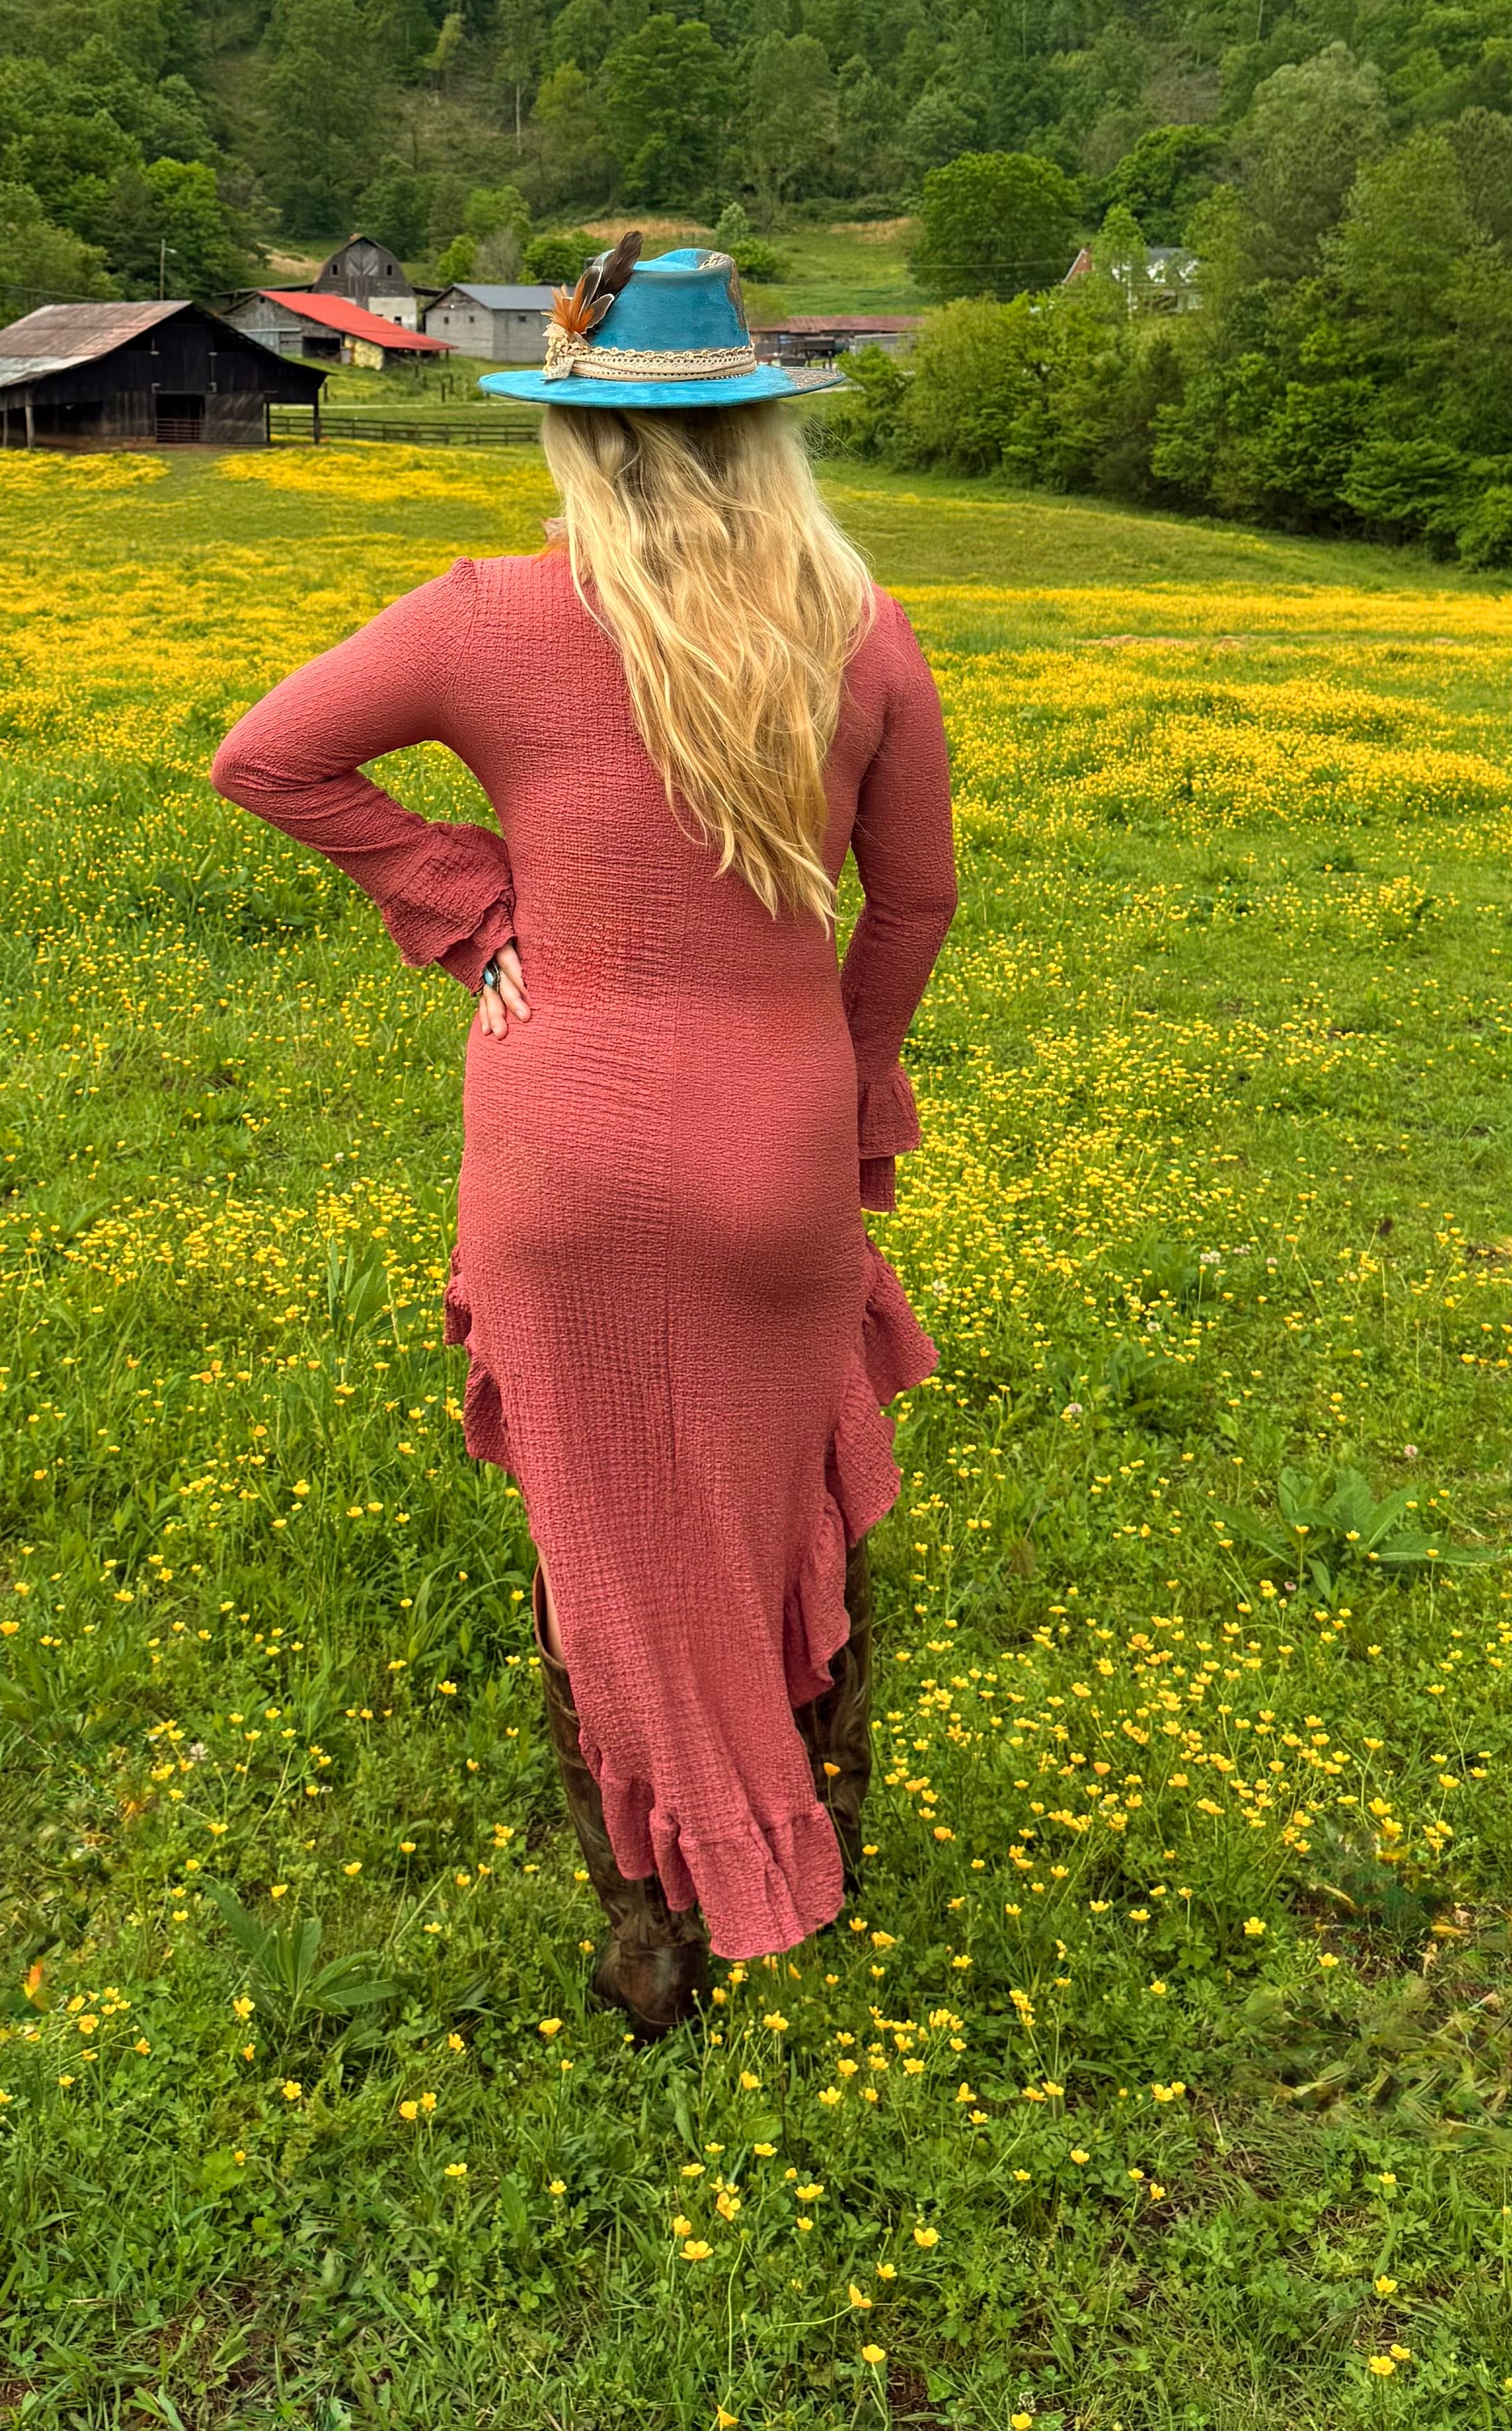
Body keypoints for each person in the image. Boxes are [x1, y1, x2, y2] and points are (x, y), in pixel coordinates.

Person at [210, 239, 958, 2037]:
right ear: (761, 433)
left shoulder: (483, 612)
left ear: (572, 431)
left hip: (560, 1151)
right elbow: (912, 902)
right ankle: (805, 1812)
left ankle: (645, 1915)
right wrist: (845, 1096)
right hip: (770, 1151)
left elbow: (265, 758)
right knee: (782, 1511)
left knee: (598, 1539)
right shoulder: (856, 631)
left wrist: (479, 904)